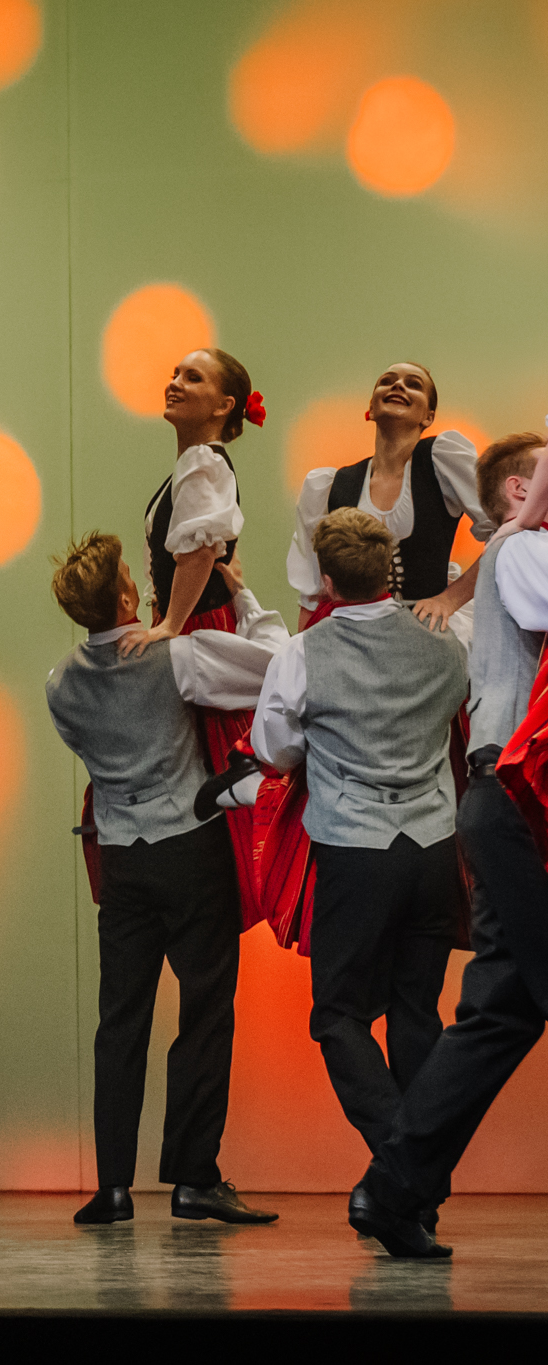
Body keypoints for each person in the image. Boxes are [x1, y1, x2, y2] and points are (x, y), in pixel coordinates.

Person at [46, 533, 285, 1227]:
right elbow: (275, 667)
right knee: (205, 1012)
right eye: (135, 577)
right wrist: (241, 594)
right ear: (127, 597)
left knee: (121, 1020)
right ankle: (193, 1178)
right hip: (191, 850)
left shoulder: (60, 684)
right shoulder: (177, 655)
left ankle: (114, 1186)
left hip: (123, 861)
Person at [353, 434, 548, 1258]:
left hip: (511, 798)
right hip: (517, 795)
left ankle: (394, 1186)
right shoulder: (519, 550)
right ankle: (393, 1184)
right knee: (502, 1006)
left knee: (501, 1010)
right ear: (518, 491)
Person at [252, 508, 469, 1172]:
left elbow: (274, 750)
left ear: (326, 581)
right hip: (434, 848)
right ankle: (418, 1179)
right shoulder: (447, 642)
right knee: (417, 1012)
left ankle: (403, 1165)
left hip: (354, 851)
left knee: (339, 1015)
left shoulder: (301, 654)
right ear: (387, 571)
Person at [118, 348, 277, 930]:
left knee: (211, 764)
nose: (175, 382)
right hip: (198, 621)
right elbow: (205, 552)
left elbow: (200, 551)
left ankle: (221, 897)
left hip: (202, 630)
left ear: (224, 405)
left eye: (193, 377)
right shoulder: (195, 464)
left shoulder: (204, 463)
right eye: (174, 373)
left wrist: (169, 625)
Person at [287, 362, 489, 636]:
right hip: (356, 635)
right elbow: (313, 589)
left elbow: (504, 534)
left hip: (427, 633)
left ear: (428, 417)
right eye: (387, 381)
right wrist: (303, 650)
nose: (398, 385)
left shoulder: (441, 462)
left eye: (413, 384)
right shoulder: (332, 485)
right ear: (370, 409)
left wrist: (449, 600)